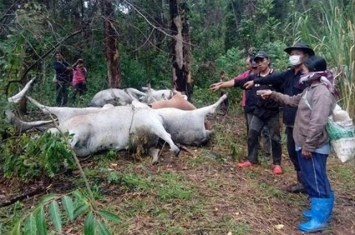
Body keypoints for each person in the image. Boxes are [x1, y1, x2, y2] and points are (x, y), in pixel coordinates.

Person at [259, 55, 336, 232]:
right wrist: (273, 94)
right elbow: (293, 101)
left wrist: (308, 145)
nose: (302, 72)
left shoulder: (322, 92)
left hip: (313, 145)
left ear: (314, 72)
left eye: (304, 70)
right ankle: (322, 211)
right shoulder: (311, 88)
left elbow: (318, 121)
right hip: (306, 142)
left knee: (315, 180)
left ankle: (320, 219)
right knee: (317, 177)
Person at [243, 41, 315, 192]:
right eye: (292, 54)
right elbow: (271, 81)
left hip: (303, 122)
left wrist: (272, 95)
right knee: (293, 153)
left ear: (306, 56)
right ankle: (302, 184)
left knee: (307, 155)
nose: (293, 57)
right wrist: (255, 81)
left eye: (297, 54)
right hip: (289, 121)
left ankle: (313, 187)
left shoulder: (310, 77)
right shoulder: (289, 74)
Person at [210, 51, 282, 175]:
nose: (259, 64)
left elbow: (284, 91)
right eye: (257, 61)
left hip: (272, 112)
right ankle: (252, 160)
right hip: (258, 111)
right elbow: (237, 82)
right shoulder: (254, 76)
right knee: (252, 134)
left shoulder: (276, 75)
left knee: (275, 138)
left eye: (262, 61)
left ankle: (277, 164)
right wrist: (222, 85)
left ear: (268, 60)